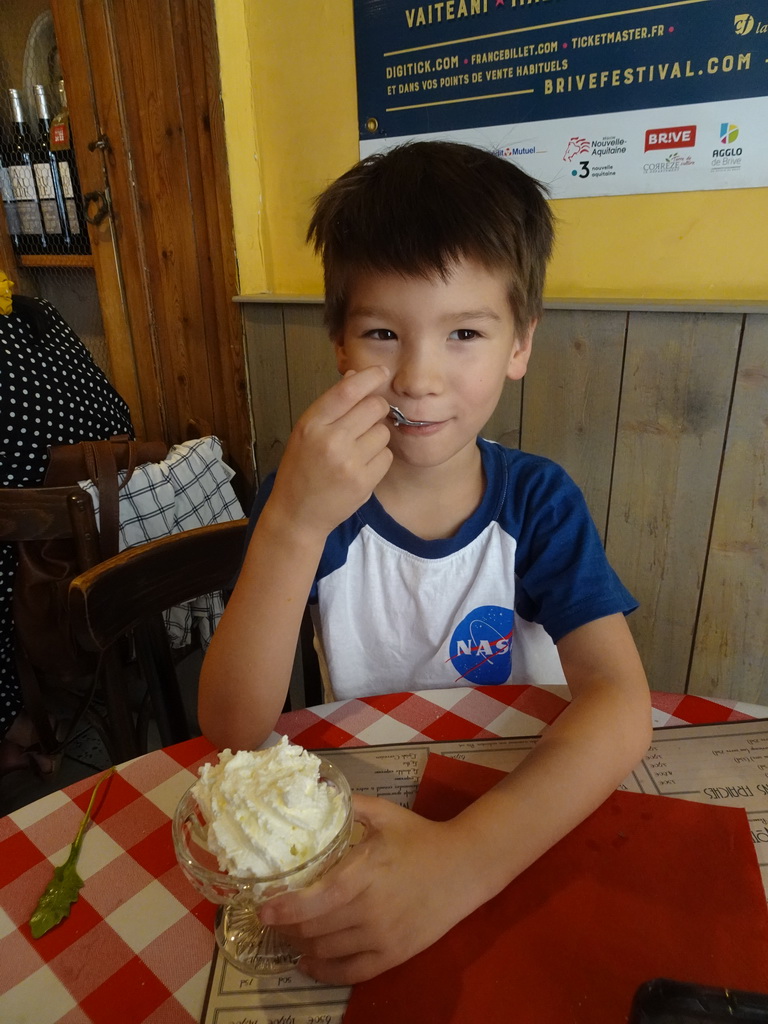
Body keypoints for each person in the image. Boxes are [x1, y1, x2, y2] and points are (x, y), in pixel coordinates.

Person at [198, 141, 652, 983]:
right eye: (382, 332)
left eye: (465, 333)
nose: (417, 377)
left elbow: (621, 702)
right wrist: (294, 522)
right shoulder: (311, 497)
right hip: (358, 822)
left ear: (519, 344)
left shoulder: (537, 502)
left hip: (519, 805)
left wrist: (465, 863)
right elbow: (231, 724)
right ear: (339, 341)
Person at [0, 280, 134, 775]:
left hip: (44, 566)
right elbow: (119, 416)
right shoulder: (39, 313)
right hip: (118, 534)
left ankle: (17, 721)